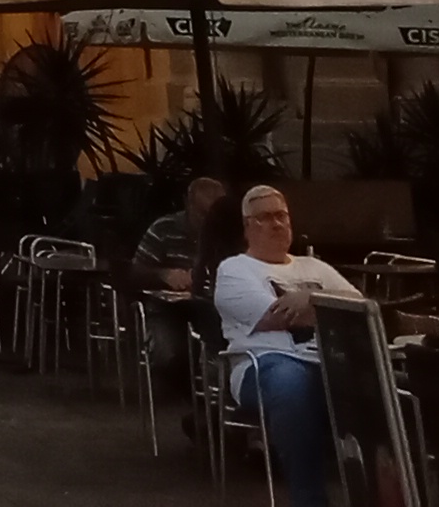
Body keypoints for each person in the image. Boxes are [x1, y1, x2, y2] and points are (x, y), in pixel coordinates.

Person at [214, 184, 363, 507]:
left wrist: (309, 297)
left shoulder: (315, 267)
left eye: (281, 215)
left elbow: (360, 309)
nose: (277, 224)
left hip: (328, 363)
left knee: (388, 384)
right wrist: (329, 308)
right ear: (247, 227)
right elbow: (276, 318)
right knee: (291, 383)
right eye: (265, 217)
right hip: (264, 363)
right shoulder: (234, 269)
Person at [135, 175, 229, 415]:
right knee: (168, 355)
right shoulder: (164, 229)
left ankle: (216, 408)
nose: (207, 222)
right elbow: (133, 272)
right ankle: (199, 405)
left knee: (229, 350)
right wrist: (163, 274)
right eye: (202, 214)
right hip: (168, 307)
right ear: (188, 204)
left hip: (212, 305)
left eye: (213, 216)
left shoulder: (226, 234)